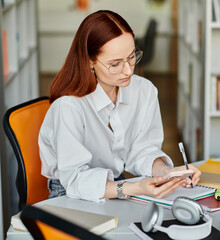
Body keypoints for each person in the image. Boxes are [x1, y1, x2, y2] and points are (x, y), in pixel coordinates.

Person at [38, 10, 201, 202]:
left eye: (132, 56)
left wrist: (167, 172)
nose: (128, 70)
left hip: (116, 183)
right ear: (90, 61)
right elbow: (74, 180)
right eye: (115, 64)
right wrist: (133, 187)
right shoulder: (69, 106)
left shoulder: (144, 91)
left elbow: (143, 150)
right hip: (68, 191)